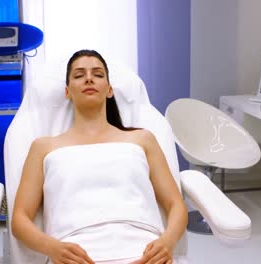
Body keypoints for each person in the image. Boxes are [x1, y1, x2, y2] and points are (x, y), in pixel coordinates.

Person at [12, 50, 188, 264]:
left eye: (97, 74)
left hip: (146, 254)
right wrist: (54, 248)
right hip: (75, 256)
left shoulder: (142, 139)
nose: (88, 78)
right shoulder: (43, 147)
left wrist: (166, 243)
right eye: (79, 75)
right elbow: (20, 218)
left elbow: (175, 203)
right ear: (67, 91)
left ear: (110, 90)